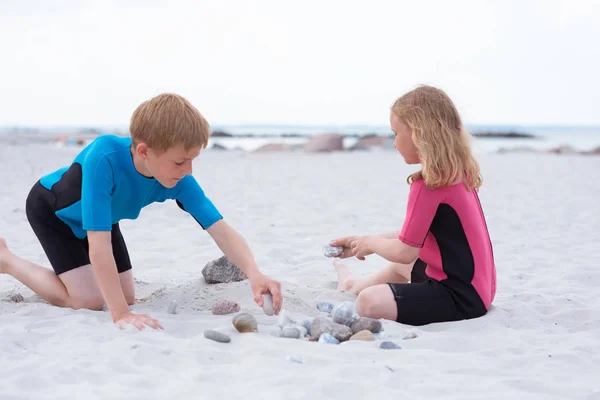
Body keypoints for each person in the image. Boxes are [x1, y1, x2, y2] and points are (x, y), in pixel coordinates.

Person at [0, 93, 283, 330]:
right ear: (145, 151)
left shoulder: (178, 180)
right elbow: (99, 249)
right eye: (180, 162)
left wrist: (255, 273)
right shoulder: (105, 157)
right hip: (54, 212)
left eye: (193, 160)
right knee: (87, 301)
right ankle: (7, 260)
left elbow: (220, 229)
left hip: (103, 218)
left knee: (126, 296)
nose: (189, 171)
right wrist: (121, 315)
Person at [330, 85, 496, 326]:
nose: (395, 143)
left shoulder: (428, 185)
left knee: (368, 302)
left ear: (419, 133)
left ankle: (358, 287)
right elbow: (415, 239)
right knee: (401, 263)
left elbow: (405, 250)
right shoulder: (458, 174)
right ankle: (351, 284)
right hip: (480, 289)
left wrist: (371, 243)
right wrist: (362, 240)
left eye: (396, 133)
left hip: (459, 297)